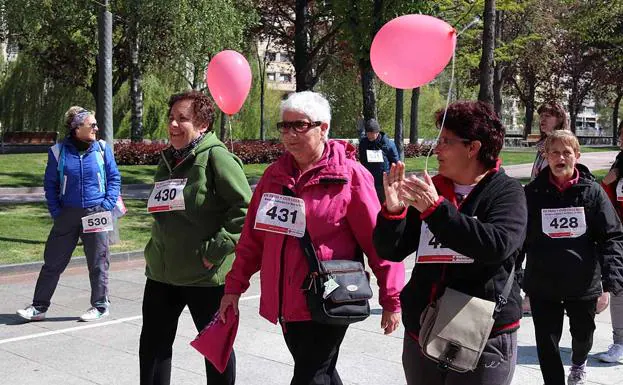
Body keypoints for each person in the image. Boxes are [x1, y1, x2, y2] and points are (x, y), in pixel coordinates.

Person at [219, 91, 404, 385]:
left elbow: (379, 241)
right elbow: (253, 240)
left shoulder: (350, 176)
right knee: (320, 372)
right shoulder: (273, 177)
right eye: (285, 126)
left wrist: (391, 298)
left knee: (311, 375)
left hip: (330, 297)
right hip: (286, 301)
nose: (290, 134)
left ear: (324, 128)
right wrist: (234, 287)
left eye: (300, 125)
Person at [373, 101, 526, 385]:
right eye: (438, 140)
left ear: (473, 148)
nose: (436, 149)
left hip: (481, 333)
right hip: (424, 329)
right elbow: (390, 250)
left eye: (446, 141)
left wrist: (437, 211)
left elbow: (496, 245)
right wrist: (393, 213)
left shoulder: (507, 191)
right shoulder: (434, 188)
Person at [139, 91, 251, 385]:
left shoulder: (216, 157)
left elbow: (245, 209)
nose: (173, 125)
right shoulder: (168, 158)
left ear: (202, 125)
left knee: (215, 351)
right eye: (171, 118)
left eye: (182, 119)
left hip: (205, 277)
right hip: (162, 274)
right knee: (152, 349)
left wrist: (214, 252)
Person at [522, 130, 623, 384]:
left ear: (576, 156)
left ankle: (578, 363)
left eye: (566, 152)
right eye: (554, 152)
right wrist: (513, 278)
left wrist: (611, 281)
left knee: (583, 337)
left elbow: (611, 236)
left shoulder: (592, 192)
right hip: (543, 283)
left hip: (583, 283)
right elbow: (518, 238)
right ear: (546, 156)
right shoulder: (532, 193)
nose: (560, 158)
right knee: (547, 343)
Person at [16, 106, 121, 322]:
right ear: (76, 128)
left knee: (98, 261)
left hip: (96, 212)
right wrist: (57, 212)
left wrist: (107, 204)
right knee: (52, 262)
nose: (96, 127)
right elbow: (50, 184)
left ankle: (100, 305)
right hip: (67, 214)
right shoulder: (58, 151)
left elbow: (114, 178)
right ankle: (39, 307)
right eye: (91, 125)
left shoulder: (102, 148)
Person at [523, 101, 570, 315]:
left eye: (549, 115)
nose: (543, 120)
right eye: (541, 116)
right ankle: (532, 294)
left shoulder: (563, 145)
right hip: (537, 206)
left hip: (555, 209)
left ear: (560, 118)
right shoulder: (542, 146)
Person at [597, 120, 623, 363]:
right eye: (622, 135)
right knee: (619, 290)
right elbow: (605, 191)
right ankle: (620, 343)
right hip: (620, 235)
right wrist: (609, 179)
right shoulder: (620, 163)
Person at [358, 118, 399, 203]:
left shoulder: (388, 144)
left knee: (385, 205)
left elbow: (395, 162)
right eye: (367, 133)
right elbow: (362, 160)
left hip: (384, 182)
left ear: (377, 132)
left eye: (371, 133)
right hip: (369, 182)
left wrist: (392, 178)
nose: (369, 135)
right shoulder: (363, 144)